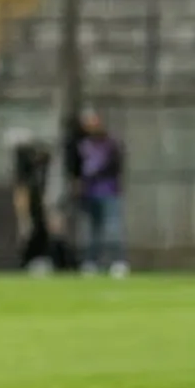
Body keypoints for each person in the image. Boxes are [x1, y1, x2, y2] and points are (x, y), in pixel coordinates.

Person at [66, 108, 127, 278]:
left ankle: (117, 261)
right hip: (89, 192)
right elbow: (74, 167)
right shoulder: (80, 144)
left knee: (112, 227)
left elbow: (116, 165)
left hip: (109, 191)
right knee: (92, 230)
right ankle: (91, 262)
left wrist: (98, 173)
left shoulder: (110, 143)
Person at [9, 129, 58, 274]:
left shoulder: (43, 169)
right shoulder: (24, 170)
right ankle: (31, 260)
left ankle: (41, 259)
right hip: (33, 203)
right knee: (30, 231)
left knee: (41, 230)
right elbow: (21, 189)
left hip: (41, 202)